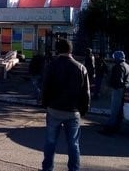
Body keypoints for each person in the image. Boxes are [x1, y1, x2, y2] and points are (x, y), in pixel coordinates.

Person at [41, 39, 90, 171]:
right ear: (71, 50)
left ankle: (47, 168)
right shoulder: (81, 67)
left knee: (50, 142)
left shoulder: (51, 65)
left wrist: (45, 104)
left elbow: (45, 87)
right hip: (73, 111)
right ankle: (74, 169)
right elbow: (86, 92)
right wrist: (84, 110)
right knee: (73, 144)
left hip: (54, 109)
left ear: (58, 50)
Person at [99, 50, 129, 135]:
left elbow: (118, 80)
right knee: (120, 110)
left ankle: (110, 128)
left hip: (118, 89)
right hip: (126, 89)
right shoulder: (128, 66)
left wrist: (112, 84)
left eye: (114, 57)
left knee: (114, 109)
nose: (113, 59)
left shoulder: (118, 66)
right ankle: (117, 126)